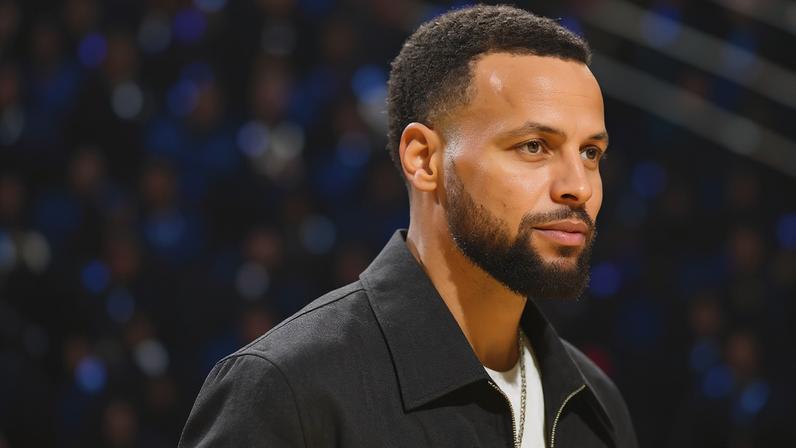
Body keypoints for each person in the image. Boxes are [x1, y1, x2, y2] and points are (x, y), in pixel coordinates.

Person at [179, 5, 638, 447]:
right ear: (424, 160)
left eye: (590, 153)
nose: (578, 186)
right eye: (534, 146)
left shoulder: (596, 403)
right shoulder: (287, 390)